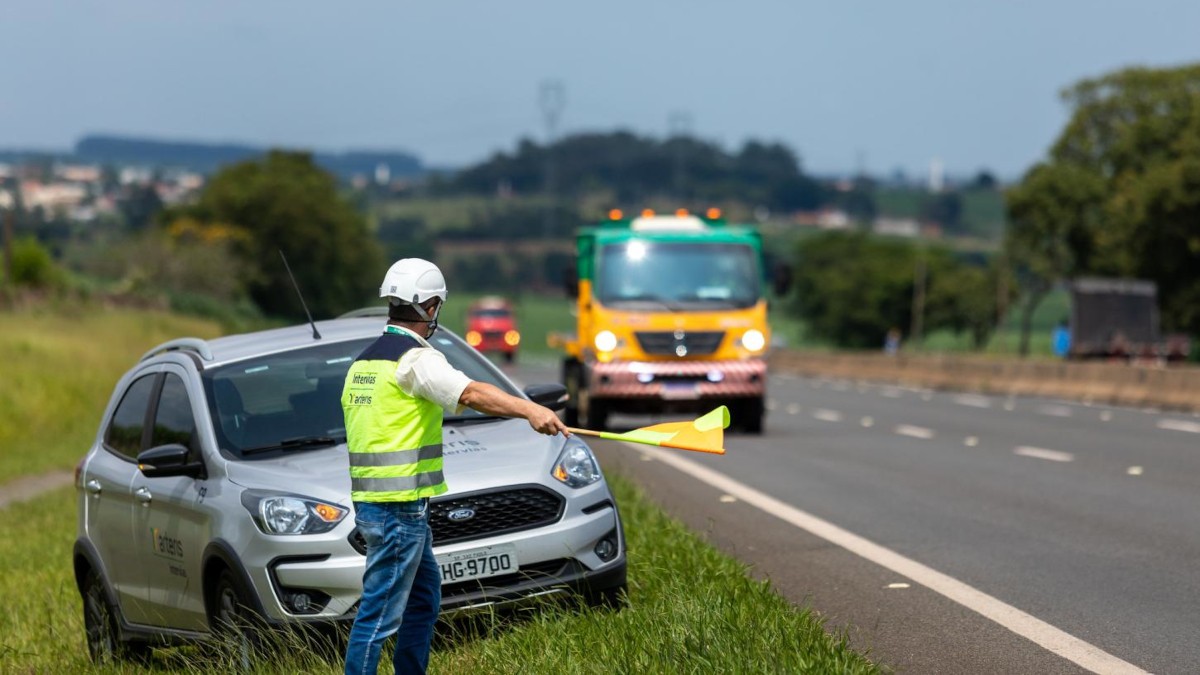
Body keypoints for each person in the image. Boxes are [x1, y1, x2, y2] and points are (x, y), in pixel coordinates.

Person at [341, 258, 568, 675]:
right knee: (377, 616)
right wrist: (530, 410)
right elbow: (473, 393)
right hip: (398, 510)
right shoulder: (415, 360)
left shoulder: (364, 364)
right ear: (429, 306)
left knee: (424, 597)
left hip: (384, 506)